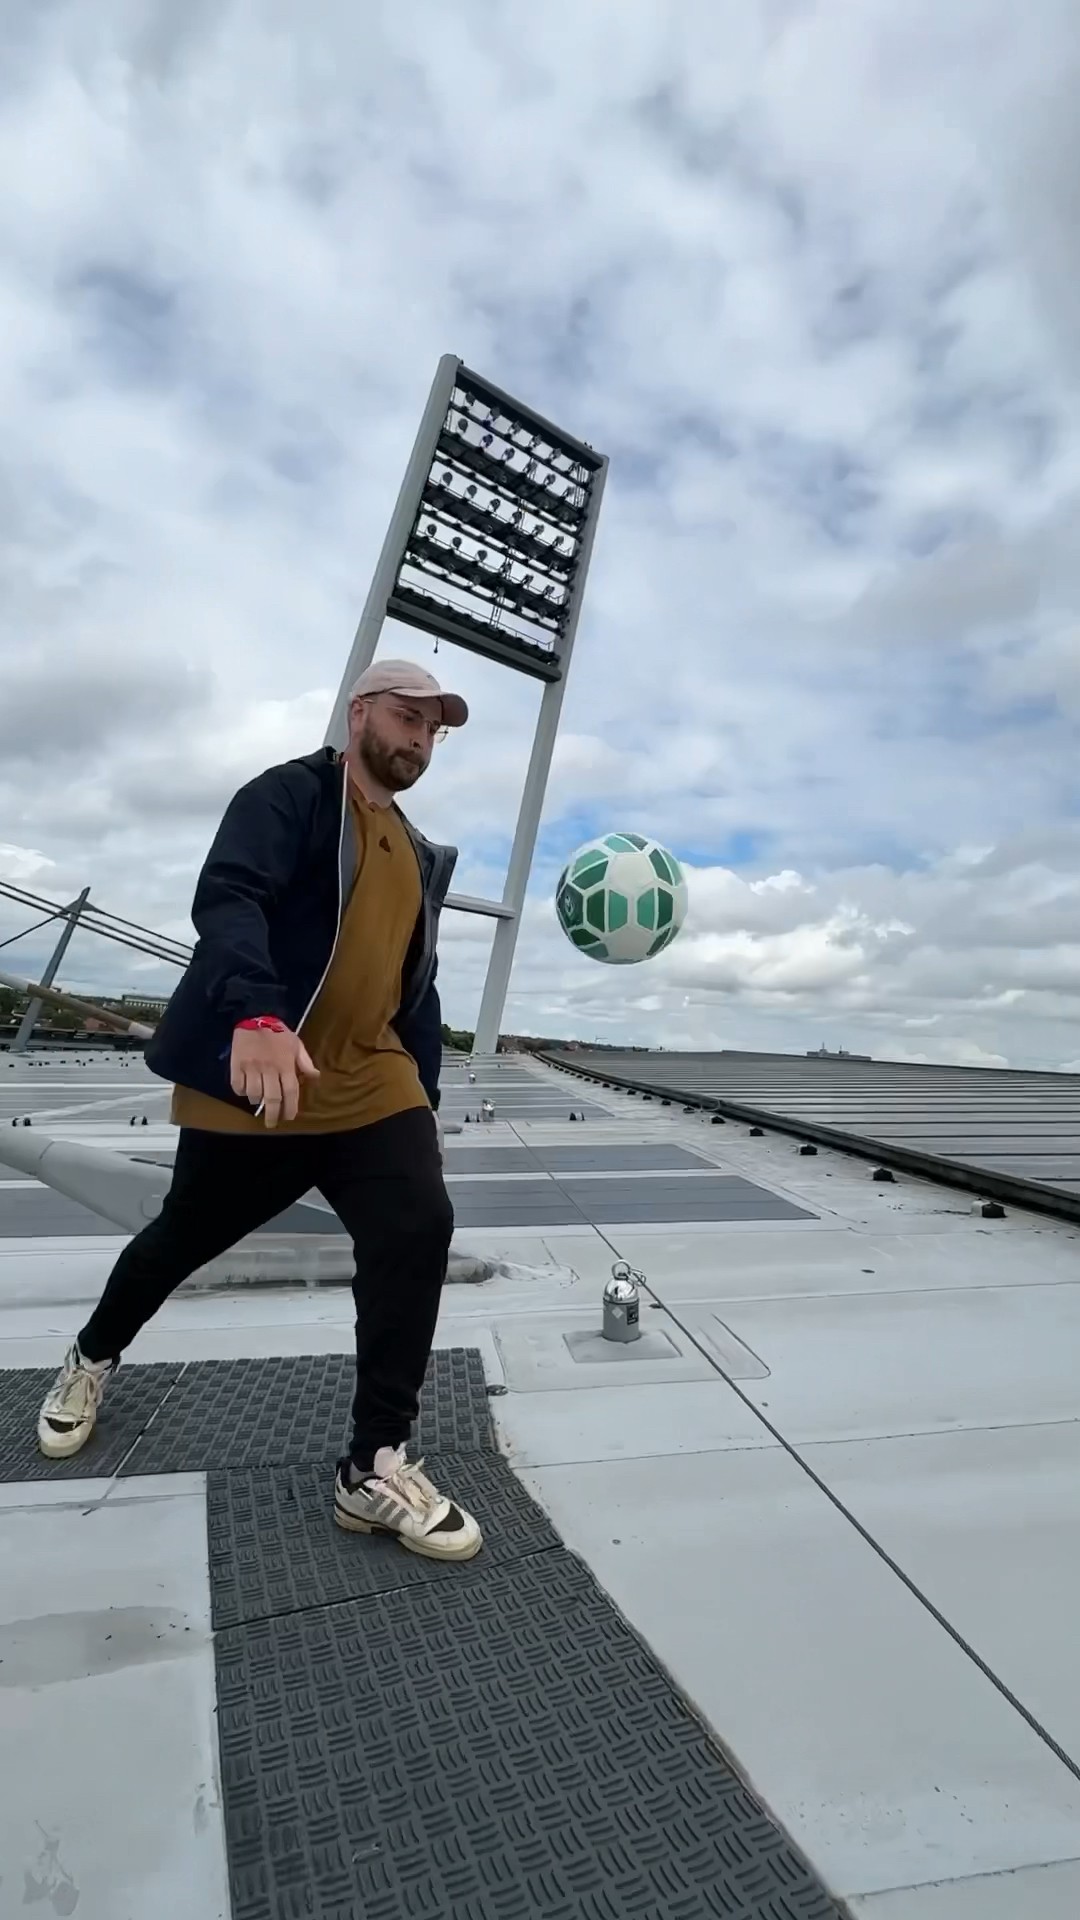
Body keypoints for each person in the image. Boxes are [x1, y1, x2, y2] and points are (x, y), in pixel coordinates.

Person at [35, 658, 482, 1562]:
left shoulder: (420, 854)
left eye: (433, 731)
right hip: (267, 1079)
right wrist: (260, 1012)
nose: (419, 741)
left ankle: (373, 1464)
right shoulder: (290, 797)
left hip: (370, 1083)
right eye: (406, 718)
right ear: (359, 712)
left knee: (417, 1227)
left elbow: (415, 990)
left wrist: (422, 1098)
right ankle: (90, 1358)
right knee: (182, 1237)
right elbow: (232, 895)